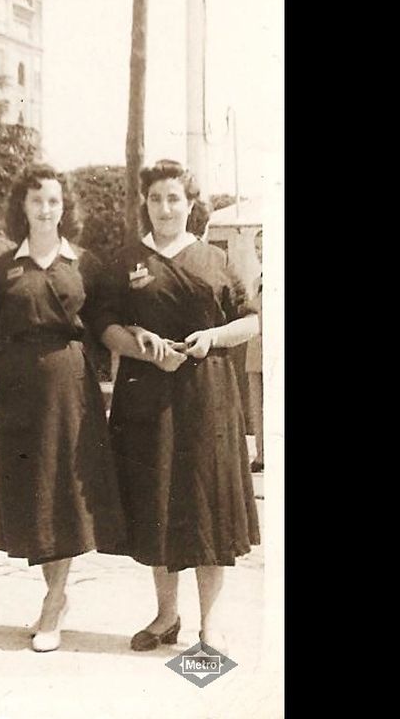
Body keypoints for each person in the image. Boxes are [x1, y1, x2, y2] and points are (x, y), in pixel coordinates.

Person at [101, 160, 260, 654]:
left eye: (174, 198)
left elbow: (252, 321)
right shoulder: (127, 259)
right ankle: (166, 616)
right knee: (158, 503)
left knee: (208, 506)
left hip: (207, 399)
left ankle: (208, 626)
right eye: (155, 199)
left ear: (190, 203)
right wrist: (138, 343)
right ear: (144, 204)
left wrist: (212, 337)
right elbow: (104, 325)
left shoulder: (213, 259)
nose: (164, 208)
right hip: (147, 399)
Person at [0, 165, 126, 653]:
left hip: (69, 385)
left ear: (64, 208)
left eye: (53, 201)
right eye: (36, 200)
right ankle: (54, 593)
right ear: (21, 206)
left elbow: (108, 323)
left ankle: (54, 600)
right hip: (16, 386)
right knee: (34, 490)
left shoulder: (85, 263)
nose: (46, 209)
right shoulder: (3, 264)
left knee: (62, 488)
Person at [244, 229, 264, 472]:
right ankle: (261, 455)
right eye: (257, 249)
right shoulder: (256, 282)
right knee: (256, 404)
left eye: (265, 248)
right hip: (256, 349)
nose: (260, 254)